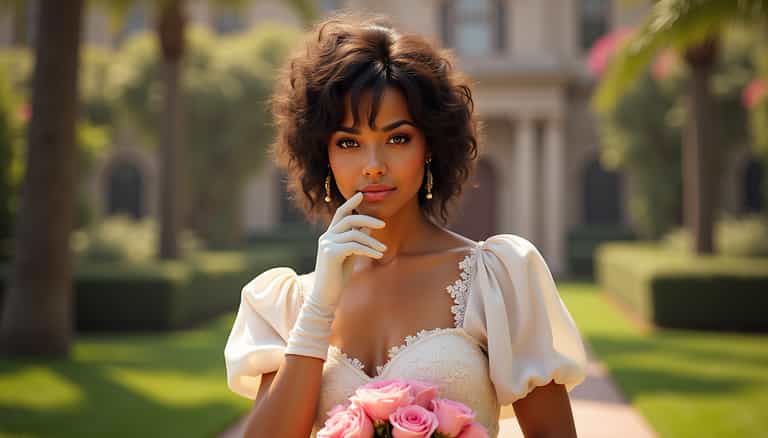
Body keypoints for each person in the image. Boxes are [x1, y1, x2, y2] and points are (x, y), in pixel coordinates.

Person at [224, 12, 587, 438]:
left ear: (429, 146)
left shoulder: (497, 280)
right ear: (323, 155)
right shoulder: (290, 302)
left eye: (397, 138)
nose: (374, 166)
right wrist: (319, 306)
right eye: (349, 143)